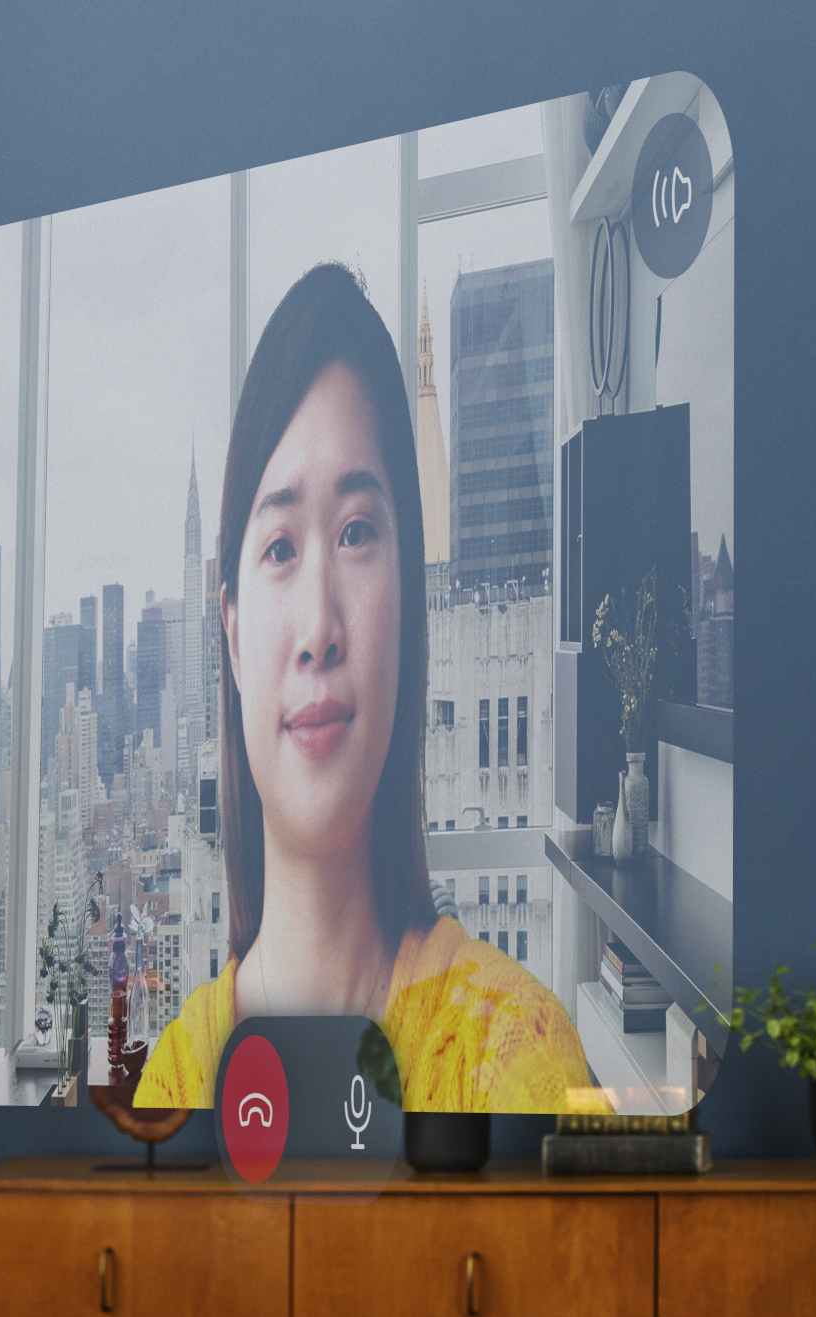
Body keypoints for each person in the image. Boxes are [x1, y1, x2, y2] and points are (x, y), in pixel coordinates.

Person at [134, 263, 592, 1115]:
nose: (319, 627)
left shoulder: (523, 1062)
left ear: (412, 600)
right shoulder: (175, 1081)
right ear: (229, 630)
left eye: (354, 533)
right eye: (277, 548)